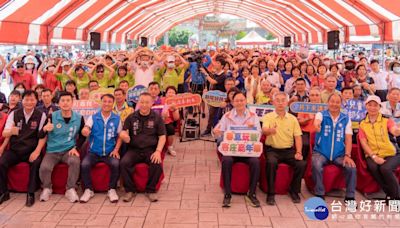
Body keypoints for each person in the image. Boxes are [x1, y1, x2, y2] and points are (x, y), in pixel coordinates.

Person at [213, 92, 261, 208]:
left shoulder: (253, 116)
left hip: (247, 150)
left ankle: (252, 193)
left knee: (255, 162)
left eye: (242, 100)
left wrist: (252, 131)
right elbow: (218, 131)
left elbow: (259, 133)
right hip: (232, 150)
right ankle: (227, 194)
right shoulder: (227, 116)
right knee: (226, 160)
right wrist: (216, 132)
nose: (239, 103)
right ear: (233, 102)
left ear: (246, 101)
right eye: (237, 100)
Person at [0, 90, 47, 207]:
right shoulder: (14, 114)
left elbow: (43, 136)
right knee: (1, 162)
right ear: (22, 100)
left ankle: (31, 193)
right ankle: (4, 192)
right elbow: (5, 133)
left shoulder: (41, 115)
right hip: (15, 150)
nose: (29, 102)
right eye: (26, 99)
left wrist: (37, 151)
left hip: (31, 149)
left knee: (36, 163)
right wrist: (10, 131)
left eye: (32, 100)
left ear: (37, 101)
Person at [38, 92, 85, 203]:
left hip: (69, 150)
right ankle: (47, 188)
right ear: (58, 103)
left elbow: (83, 136)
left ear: (72, 102)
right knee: (44, 167)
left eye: (68, 100)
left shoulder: (79, 117)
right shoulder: (52, 116)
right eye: (62, 101)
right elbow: (40, 135)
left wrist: (76, 148)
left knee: (75, 162)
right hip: (52, 151)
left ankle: (70, 189)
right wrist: (45, 129)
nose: (65, 103)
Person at [119, 92, 166, 202]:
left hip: (150, 150)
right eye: (142, 102)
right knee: (124, 163)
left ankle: (151, 190)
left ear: (151, 103)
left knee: (156, 163)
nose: (144, 105)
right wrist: (124, 135)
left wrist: (158, 151)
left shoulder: (157, 118)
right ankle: (130, 190)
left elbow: (162, 136)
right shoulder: (131, 117)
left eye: (147, 102)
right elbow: (124, 132)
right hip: (134, 150)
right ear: (138, 103)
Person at [262, 92, 306, 205]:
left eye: (283, 100)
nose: (280, 103)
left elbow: (298, 137)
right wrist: (270, 131)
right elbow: (264, 130)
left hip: (288, 150)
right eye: (278, 100)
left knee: (301, 164)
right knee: (271, 162)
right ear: (273, 102)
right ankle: (270, 193)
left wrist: (299, 152)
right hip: (272, 149)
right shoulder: (268, 116)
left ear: (287, 102)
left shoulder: (292, 119)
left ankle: (294, 190)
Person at [312, 93, 356, 201]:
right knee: (316, 164)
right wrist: (317, 125)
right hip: (321, 152)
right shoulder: (321, 114)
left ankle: (350, 197)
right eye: (332, 101)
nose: (334, 104)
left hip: (339, 154)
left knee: (351, 167)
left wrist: (347, 155)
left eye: (337, 102)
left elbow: (348, 138)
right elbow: (317, 122)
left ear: (341, 104)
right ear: (328, 102)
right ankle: (319, 193)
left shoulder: (346, 118)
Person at [80, 94, 122, 203]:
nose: (106, 104)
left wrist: (116, 150)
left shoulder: (117, 119)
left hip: (109, 152)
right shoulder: (93, 117)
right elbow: (86, 128)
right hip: (94, 152)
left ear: (112, 104)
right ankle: (88, 190)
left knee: (116, 164)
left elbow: (120, 136)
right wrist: (85, 130)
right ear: (101, 103)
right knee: (84, 164)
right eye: (104, 101)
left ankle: (111, 189)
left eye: (109, 102)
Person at [359, 95, 400, 200]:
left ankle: (396, 197)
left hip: (391, 153)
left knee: (385, 168)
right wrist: (374, 157)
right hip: (372, 153)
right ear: (366, 106)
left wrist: (398, 130)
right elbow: (364, 143)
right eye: (370, 105)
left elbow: (394, 131)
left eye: (375, 105)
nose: (372, 108)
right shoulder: (362, 124)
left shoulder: (386, 120)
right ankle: (389, 193)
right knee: (373, 166)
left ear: (379, 107)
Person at [297, 87, 321, 158]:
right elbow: (300, 122)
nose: (314, 97)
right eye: (312, 95)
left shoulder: (325, 107)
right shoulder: (304, 107)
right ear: (309, 96)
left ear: (320, 96)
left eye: (317, 95)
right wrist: (308, 118)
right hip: (306, 133)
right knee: (305, 144)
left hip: (320, 133)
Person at [161, 86, 180, 156]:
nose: (171, 94)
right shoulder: (161, 100)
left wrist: (174, 109)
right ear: (166, 94)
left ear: (175, 94)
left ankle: (170, 147)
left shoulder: (176, 102)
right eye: (169, 92)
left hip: (169, 121)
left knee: (170, 129)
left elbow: (176, 118)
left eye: (173, 92)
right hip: (159, 120)